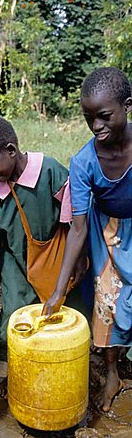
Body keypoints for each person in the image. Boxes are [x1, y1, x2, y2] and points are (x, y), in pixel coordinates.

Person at [0, 115, 86, 394]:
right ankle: (16, 374)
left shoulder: (50, 171)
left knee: (65, 311)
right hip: (16, 264)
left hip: (57, 256)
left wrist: (78, 259)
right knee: (16, 317)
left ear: (11, 151)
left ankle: (65, 369)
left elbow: (74, 220)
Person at [43, 67, 132, 413]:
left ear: (127, 105)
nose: (96, 126)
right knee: (107, 300)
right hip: (106, 232)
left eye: (104, 116)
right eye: (89, 118)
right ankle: (111, 371)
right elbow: (77, 228)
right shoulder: (83, 162)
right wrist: (58, 290)